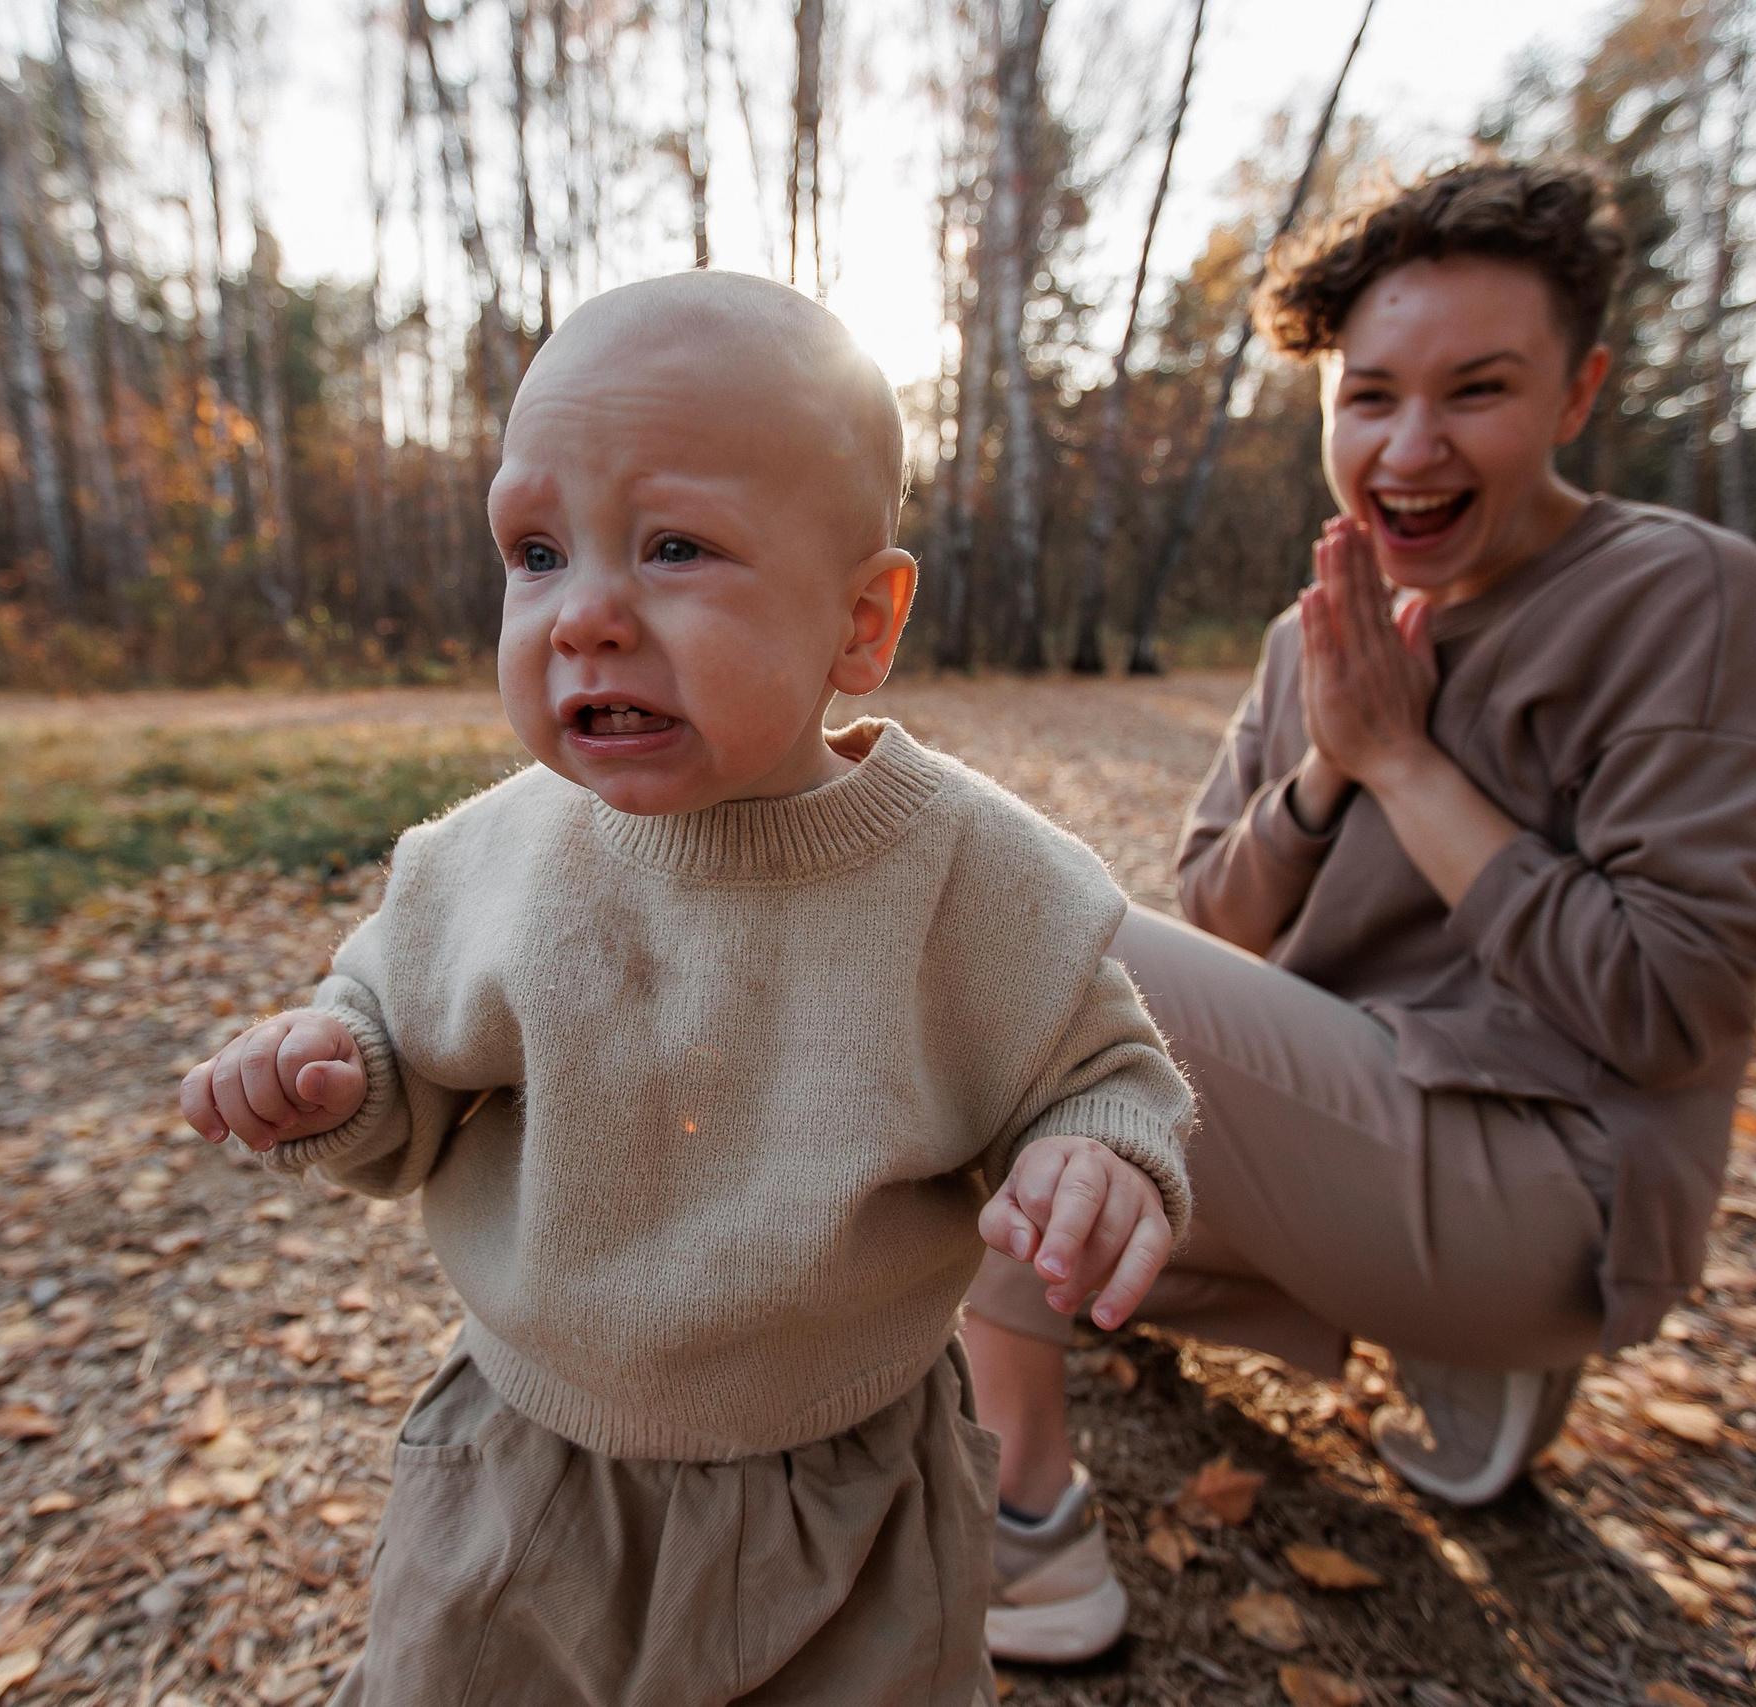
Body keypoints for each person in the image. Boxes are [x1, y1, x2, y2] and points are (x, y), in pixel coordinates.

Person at [176, 270, 1194, 1706]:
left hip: (855, 1491)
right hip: (533, 1478)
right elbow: (391, 1058)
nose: (582, 615)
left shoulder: (972, 877)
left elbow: (1100, 1069)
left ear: (861, 623)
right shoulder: (487, 863)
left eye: (672, 547)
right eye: (535, 553)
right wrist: (326, 1072)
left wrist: (1097, 1151)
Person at [970, 160, 1756, 1665]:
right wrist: (1323, 767)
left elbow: (1671, 1008)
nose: (1411, 447)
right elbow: (1222, 917)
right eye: (1369, 396)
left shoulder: (1686, 597)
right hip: (1379, 1130)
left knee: (1024, 947)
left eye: (1477, 392)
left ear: (1579, 395)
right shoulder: (1320, 625)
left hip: (1562, 1182)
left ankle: (1023, 1539)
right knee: (1010, 1197)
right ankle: (1447, 1342)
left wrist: (1405, 764)